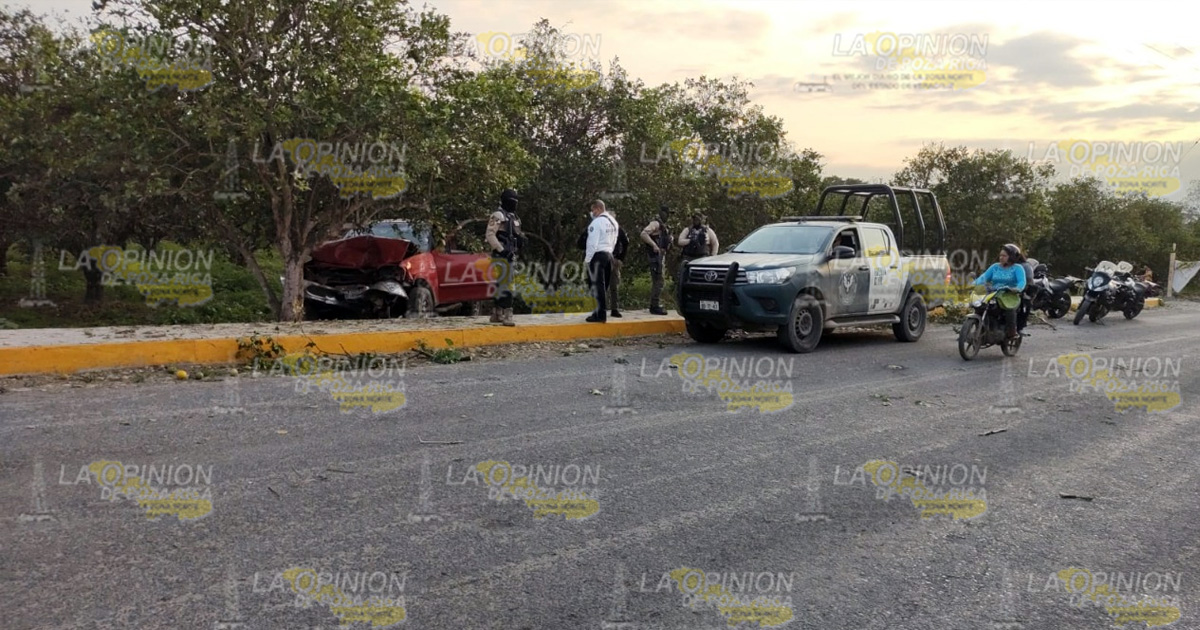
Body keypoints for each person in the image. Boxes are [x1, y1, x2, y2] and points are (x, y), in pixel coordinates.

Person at [485, 188, 524, 326]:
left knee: (502, 284)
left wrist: (521, 241)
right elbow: (490, 235)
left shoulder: (514, 217)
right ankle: (507, 314)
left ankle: (497, 312)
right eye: (512, 201)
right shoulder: (498, 215)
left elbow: (516, 235)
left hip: (510, 254)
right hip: (500, 254)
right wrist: (501, 250)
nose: (514, 203)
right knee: (506, 284)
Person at [973, 243, 1027, 340]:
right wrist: (974, 284)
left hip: (1010, 295)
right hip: (994, 293)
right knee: (980, 306)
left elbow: (1022, 282)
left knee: (1010, 310)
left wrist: (1016, 289)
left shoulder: (1018, 268)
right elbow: (983, 277)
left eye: (1004, 256)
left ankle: (1012, 332)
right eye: (1000, 255)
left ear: (1012, 257)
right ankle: (979, 328)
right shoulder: (995, 267)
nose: (1001, 258)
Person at [584, 199, 618, 323]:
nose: (592, 213)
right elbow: (615, 240)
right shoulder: (613, 222)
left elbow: (592, 243)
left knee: (597, 287)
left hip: (597, 256)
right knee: (605, 286)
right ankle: (599, 313)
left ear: (598, 209)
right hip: (609, 255)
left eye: (593, 210)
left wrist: (588, 260)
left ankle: (600, 315)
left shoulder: (596, 223)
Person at [640, 205, 673, 315]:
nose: (668, 216)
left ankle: (655, 304)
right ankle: (654, 305)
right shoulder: (656, 223)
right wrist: (654, 245)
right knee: (659, 281)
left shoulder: (663, 226)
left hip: (660, 256)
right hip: (655, 257)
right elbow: (643, 234)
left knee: (659, 281)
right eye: (668, 213)